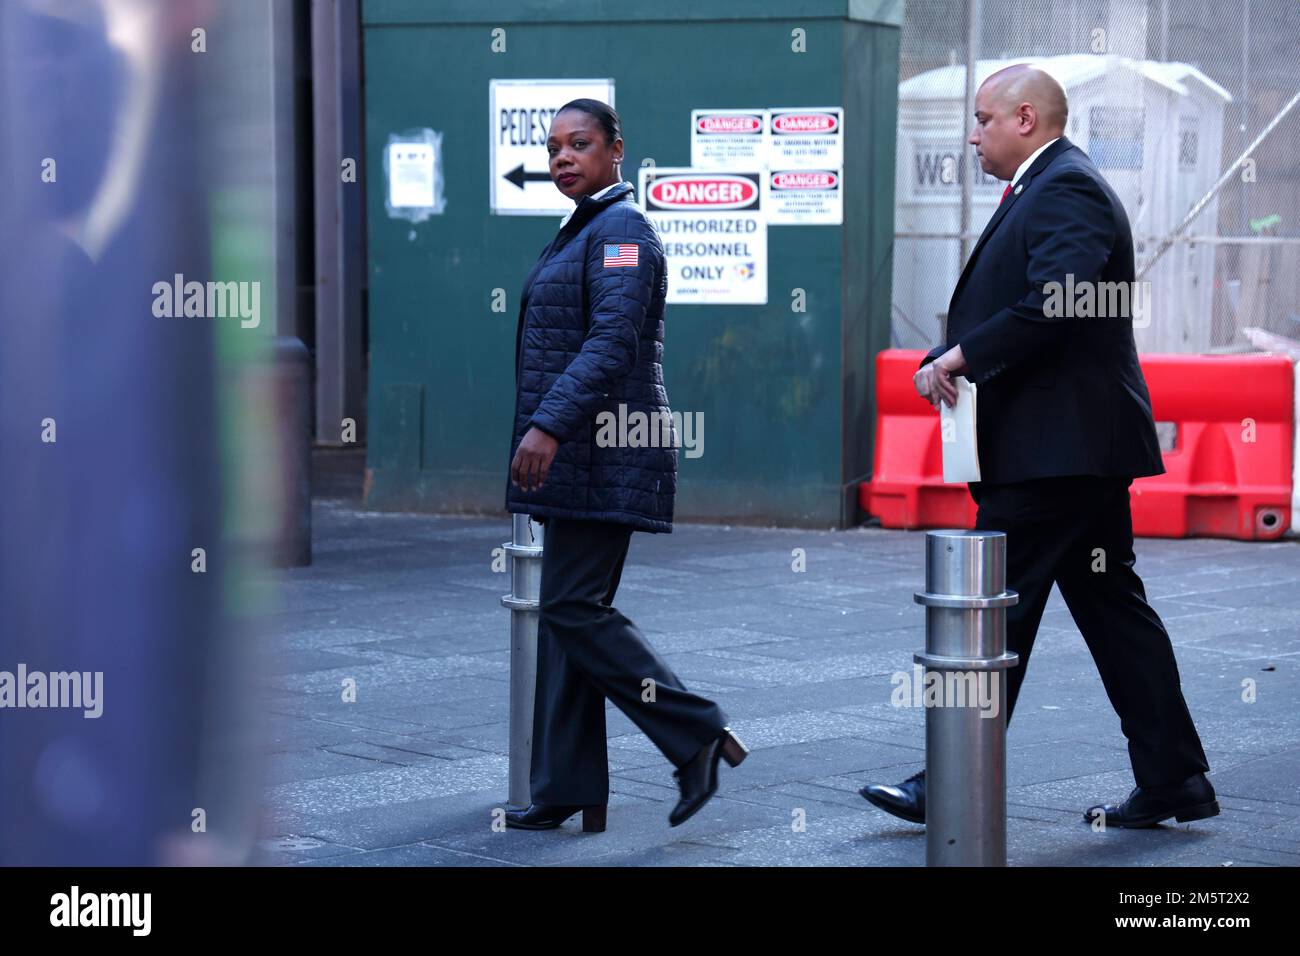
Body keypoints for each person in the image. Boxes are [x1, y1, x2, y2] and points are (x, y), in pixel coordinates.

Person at [860, 65, 1217, 829]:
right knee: (1114, 613)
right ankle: (1175, 778)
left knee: (989, 609)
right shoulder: (1048, 184)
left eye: (983, 120)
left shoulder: (1066, 186)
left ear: (1025, 118)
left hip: (1056, 454)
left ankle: (945, 781)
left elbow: (1057, 299)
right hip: (1069, 452)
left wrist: (959, 356)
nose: (972, 134)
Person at [503, 99, 747, 834]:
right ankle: (569, 786)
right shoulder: (583, 228)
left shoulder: (622, 233)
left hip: (607, 448)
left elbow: (612, 342)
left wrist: (547, 425)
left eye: (580, 144)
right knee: (564, 619)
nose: (563, 158)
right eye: (553, 149)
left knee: (575, 608)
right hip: (584, 452)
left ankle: (696, 729)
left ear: (617, 150)